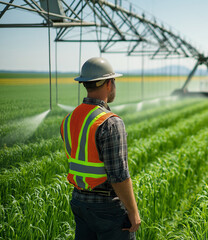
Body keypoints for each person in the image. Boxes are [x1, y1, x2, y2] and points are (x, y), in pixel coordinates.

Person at [60, 57, 141, 239]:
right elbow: (119, 176)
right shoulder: (110, 122)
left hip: (79, 201)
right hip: (107, 207)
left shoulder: (69, 119)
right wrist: (133, 211)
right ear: (108, 84)